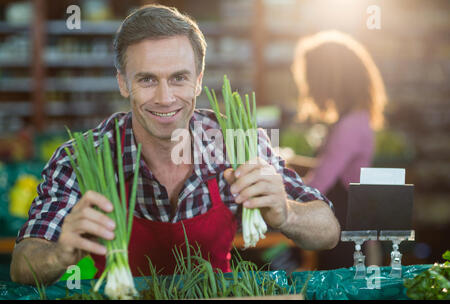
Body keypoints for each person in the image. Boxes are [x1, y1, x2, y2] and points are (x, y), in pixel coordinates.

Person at [10, 5, 340, 285]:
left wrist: (287, 214)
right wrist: (59, 254)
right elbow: (22, 265)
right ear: (123, 83)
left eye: (179, 78)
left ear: (198, 80)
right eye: (147, 79)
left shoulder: (237, 143)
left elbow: (329, 231)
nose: (165, 98)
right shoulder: (79, 158)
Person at [291, 30, 387, 269]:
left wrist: (273, 193)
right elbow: (336, 167)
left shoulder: (349, 126)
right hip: (354, 227)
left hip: (345, 232)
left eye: (312, 78)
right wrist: (290, 162)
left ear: (330, 78)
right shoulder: (356, 118)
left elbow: (318, 185)